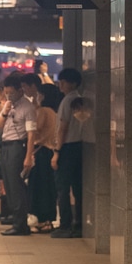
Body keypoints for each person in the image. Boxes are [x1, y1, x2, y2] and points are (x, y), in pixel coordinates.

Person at [0, 73, 37, 235]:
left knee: (16, 185)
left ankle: (21, 225)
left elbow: (31, 134)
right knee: (8, 184)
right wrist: (5, 111)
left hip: (17, 147)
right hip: (6, 147)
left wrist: (28, 156)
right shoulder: (9, 105)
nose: (9, 96)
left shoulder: (27, 107)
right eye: (6, 93)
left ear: (20, 91)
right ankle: (16, 219)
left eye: (11, 93)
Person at [51, 68, 87, 238]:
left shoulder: (67, 101)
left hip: (66, 148)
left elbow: (63, 128)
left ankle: (65, 225)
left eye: (63, 82)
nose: (60, 85)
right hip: (79, 147)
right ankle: (78, 224)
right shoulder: (81, 100)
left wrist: (57, 151)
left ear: (72, 83)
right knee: (78, 188)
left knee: (62, 188)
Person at [28, 83, 62, 232]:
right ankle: (48, 219)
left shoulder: (43, 111)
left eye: (40, 94)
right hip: (49, 151)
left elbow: (36, 128)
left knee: (39, 187)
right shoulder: (54, 112)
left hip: (41, 152)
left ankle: (43, 220)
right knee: (48, 188)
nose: (38, 96)